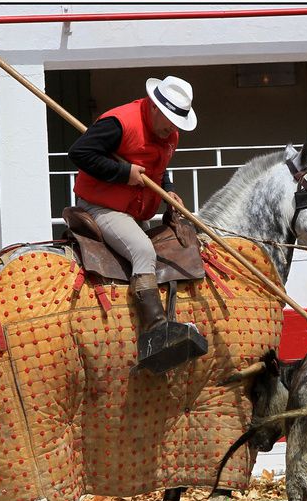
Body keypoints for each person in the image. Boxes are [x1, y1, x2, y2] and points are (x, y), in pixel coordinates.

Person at [68, 76, 201, 370]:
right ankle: (156, 333)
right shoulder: (118, 123)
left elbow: (159, 168)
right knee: (143, 251)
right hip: (101, 205)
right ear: (154, 107)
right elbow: (78, 153)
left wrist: (168, 190)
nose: (172, 127)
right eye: (168, 119)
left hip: (135, 211)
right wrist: (122, 172)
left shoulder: (170, 135)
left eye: (177, 121)